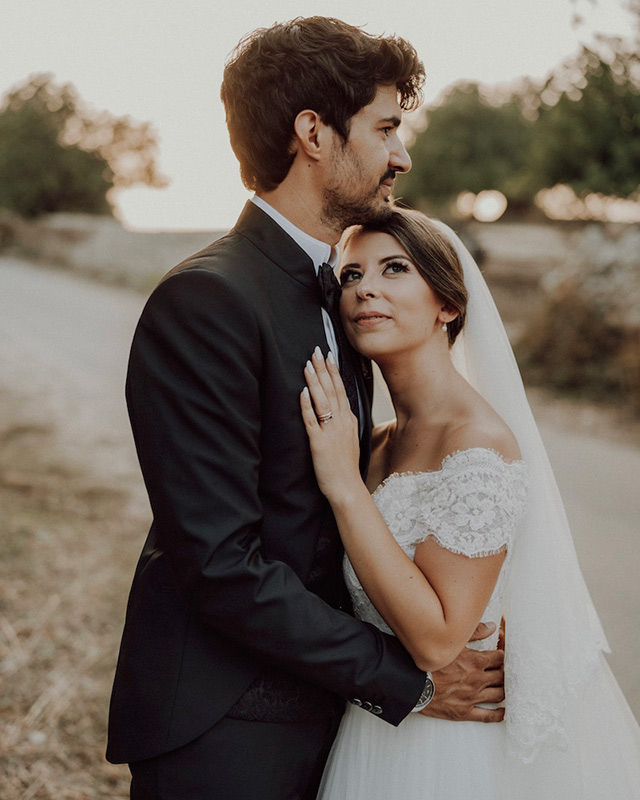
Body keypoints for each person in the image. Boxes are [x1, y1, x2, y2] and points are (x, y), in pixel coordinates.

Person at [106, 18, 506, 800]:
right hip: (227, 727)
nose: (403, 154)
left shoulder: (343, 296)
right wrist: (411, 679)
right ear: (314, 132)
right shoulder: (207, 300)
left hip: (330, 717)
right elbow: (219, 563)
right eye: (386, 127)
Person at [299, 207, 640, 799]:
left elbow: (436, 641)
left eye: (394, 269)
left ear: (448, 305)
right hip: (381, 726)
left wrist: (344, 487)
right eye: (350, 276)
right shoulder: (371, 441)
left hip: (454, 751)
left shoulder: (478, 444)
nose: (365, 289)